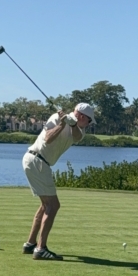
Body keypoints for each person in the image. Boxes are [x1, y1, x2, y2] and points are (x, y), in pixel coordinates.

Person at [21, 102, 96, 260]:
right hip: (36, 160)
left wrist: (72, 124)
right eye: (89, 121)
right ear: (82, 117)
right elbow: (48, 138)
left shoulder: (80, 130)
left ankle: (30, 244)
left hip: (39, 162)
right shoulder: (56, 118)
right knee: (53, 205)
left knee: (45, 205)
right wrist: (62, 124)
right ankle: (40, 249)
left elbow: (77, 137)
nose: (89, 125)